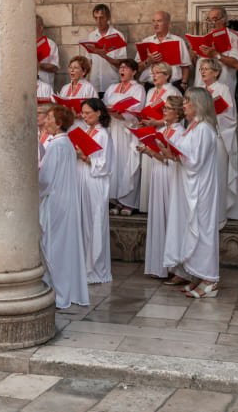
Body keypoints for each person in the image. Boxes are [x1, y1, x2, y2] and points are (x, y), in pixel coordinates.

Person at [164, 88, 224, 299]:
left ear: (199, 104)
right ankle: (198, 275)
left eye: (188, 101)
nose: (184, 105)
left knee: (203, 229)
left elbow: (195, 161)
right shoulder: (193, 127)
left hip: (201, 188)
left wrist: (173, 153)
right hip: (190, 185)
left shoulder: (204, 129)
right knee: (193, 228)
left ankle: (210, 279)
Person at [39, 107, 89, 309]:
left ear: (58, 123)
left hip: (56, 200)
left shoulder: (55, 146)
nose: (45, 122)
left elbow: (46, 179)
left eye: (49, 118)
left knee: (54, 248)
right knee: (62, 247)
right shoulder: (67, 143)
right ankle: (64, 289)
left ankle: (58, 292)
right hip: (66, 198)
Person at [141, 97, 183, 281]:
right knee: (159, 215)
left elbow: (171, 157)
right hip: (158, 173)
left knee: (169, 216)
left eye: (168, 109)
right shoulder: (160, 130)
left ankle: (174, 267)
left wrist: (152, 152)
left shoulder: (179, 132)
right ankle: (160, 265)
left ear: (178, 112)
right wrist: (147, 150)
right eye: (164, 108)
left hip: (170, 175)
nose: (164, 111)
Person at [198, 58, 238, 228]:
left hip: (218, 137)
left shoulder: (223, 89)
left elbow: (230, 115)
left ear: (216, 72)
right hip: (201, 138)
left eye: (206, 69)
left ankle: (219, 215)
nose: (202, 71)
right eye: (201, 69)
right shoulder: (198, 90)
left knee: (218, 175)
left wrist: (212, 115)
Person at [75, 98, 112, 284]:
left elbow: (105, 163)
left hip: (95, 180)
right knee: (83, 222)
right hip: (83, 177)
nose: (85, 116)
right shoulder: (85, 131)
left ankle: (96, 269)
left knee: (94, 222)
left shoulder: (103, 134)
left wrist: (84, 157)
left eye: (88, 113)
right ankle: (83, 265)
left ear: (99, 113)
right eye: (83, 113)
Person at [104, 58, 147, 213]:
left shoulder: (138, 89)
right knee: (114, 163)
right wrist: (110, 112)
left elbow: (138, 108)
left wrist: (123, 115)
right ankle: (115, 200)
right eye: (121, 67)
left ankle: (128, 201)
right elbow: (105, 104)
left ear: (134, 71)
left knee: (128, 163)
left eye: (126, 68)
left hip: (128, 130)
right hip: (113, 128)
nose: (122, 70)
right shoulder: (112, 87)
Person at [195, 6, 238, 97]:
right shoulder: (204, 39)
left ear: (224, 20)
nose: (212, 23)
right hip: (201, 90)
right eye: (209, 20)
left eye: (215, 19)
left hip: (222, 90)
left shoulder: (233, 38)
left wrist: (216, 54)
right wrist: (193, 55)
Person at [80, 3, 129, 94]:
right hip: (95, 85)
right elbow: (89, 62)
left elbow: (122, 64)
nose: (99, 21)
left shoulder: (117, 36)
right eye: (96, 18)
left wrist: (105, 56)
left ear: (108, 18)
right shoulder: (91, 36)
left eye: (102, 18)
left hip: (112, 84)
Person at [137, 10, 192, 89]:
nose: (155, 24)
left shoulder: (178, 41)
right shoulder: (145, 42)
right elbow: (137, 68)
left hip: (173, 85)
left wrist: (184, 83)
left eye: (159, 21)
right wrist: (148, 61)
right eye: (154, 21)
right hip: (151, 85)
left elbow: (185, 66)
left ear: (168, 24)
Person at [35, 15, 60, 88]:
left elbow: (55, 67)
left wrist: (39, 65)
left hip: (46, 87)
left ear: (41, 27)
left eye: (33, 24)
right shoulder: (25, 45)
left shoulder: (50, 44)